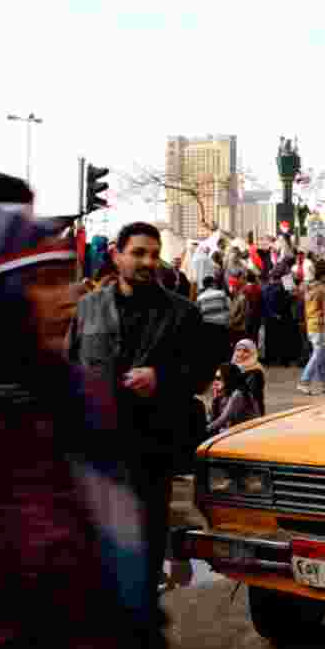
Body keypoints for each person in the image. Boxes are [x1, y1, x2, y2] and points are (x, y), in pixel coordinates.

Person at [0, 207, 166, 649]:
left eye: (63, 278)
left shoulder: (79, 402)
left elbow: (121, 549)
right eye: (43, 282)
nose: (65, 299)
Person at [68, 221, 209, 615]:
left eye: (153, 253)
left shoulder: (183, 313)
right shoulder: (88, 308)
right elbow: (69, 366)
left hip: (151, 453)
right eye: (139, 253)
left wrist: (161, 378)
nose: (148, 261)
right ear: (117, 255)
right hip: (98, 449)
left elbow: (199, 374)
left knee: (144, 554)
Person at [298, 260, 325, 395]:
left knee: (319, 355)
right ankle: (304, 381)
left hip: (310, 324)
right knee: (317, 355)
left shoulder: (307, 287)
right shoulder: (322, 289)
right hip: (319, 324)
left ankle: (324, 384)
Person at [207, 363, 260, 434]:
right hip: (239, 431)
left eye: (218, 378)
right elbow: (212, 418)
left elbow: (223, 419)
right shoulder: (226, 394)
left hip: (249, 432)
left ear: (228, 378)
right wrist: (215, 400)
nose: (215, 382)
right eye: (214, 379)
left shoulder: (238, 394)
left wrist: (205, 430)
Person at [232, 339, 266, 417]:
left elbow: (251, 396)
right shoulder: (232, 366)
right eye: (238, 350)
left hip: (249, 413)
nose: (241, 354)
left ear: (252, 353)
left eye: (245, 351)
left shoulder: (256, 370)